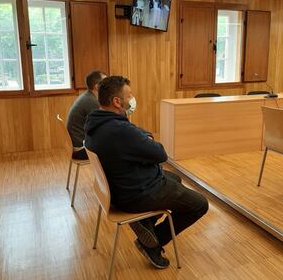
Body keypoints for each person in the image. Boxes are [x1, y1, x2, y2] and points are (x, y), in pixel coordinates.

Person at [84, 76, 208, 269]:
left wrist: (141, 138)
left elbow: (135, 137)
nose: (132, 98)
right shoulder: (120, 131)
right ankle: (152, 241)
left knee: (175, 177)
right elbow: (160, 154)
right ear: (117, 101)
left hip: (117, 188)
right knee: (200, 204)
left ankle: (146, 223)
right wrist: (145, 139)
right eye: (129, 95)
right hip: (136, 193)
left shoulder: (95, 121)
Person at [66, 70, 106, 160]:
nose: (108, 85)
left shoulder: (88, 96)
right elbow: (102, 127)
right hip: (81, 150)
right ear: (97, 86)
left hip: (77, 145)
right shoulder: (91, 101)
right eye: (105, 82)